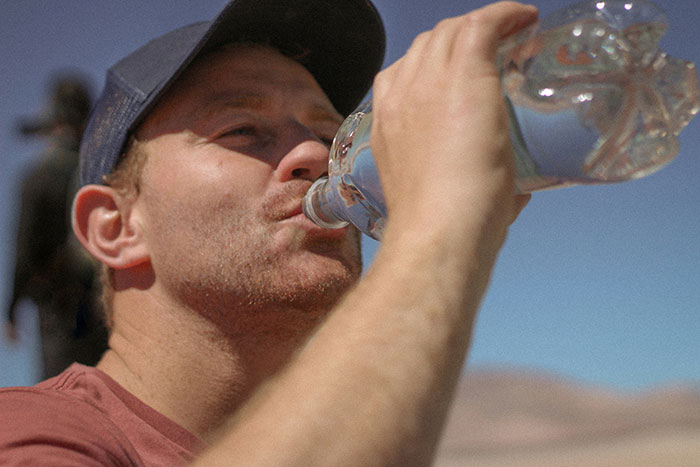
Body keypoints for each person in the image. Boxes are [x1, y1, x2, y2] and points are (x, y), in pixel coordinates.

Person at [0, 0, 533, 465]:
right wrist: (437, 235)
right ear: (114, 228)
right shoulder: (31, 434)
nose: (316, 156)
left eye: (331, 135)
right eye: (243, 130)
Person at [5, 72, 108, 379]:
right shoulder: (106, 173)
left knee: (62, 389)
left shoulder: (37, 178)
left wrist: (11, 309)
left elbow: (24, 248)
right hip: (106, 305)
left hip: (59, 306)